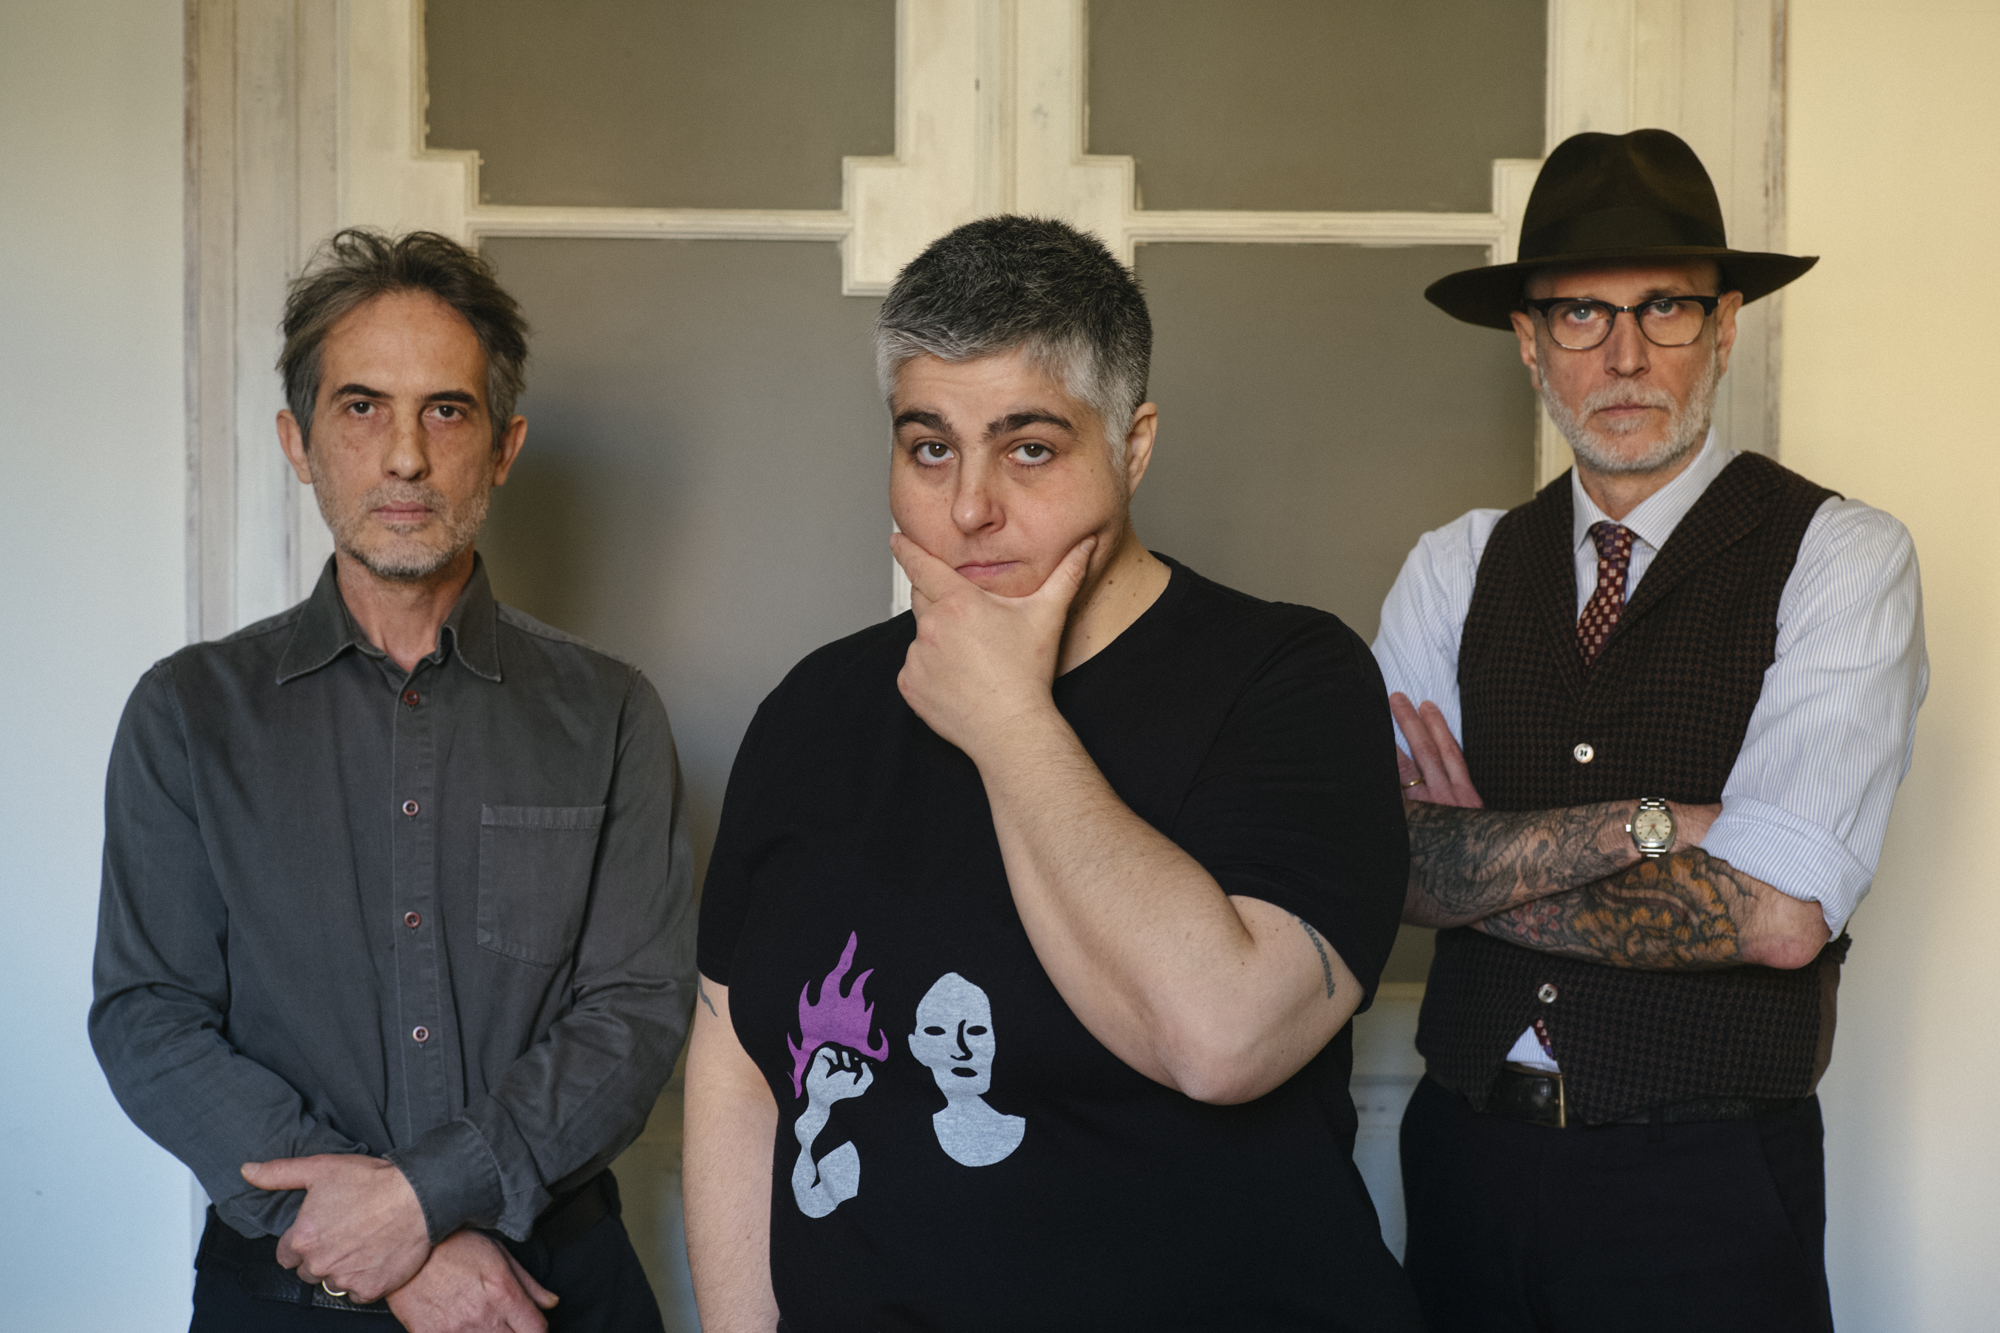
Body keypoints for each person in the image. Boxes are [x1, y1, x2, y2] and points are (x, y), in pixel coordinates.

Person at [682, 216, 1422, 1333]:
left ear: (1131, 445)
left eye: (1028, 447)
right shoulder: (814, 708)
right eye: (929, 447)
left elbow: (1222, 1039)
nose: (969, 506)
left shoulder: (1288, 678)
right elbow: (739, 1059)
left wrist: (1009, 720)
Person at [89, 229, 695, 1332]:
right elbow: (150, 1016)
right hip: (282, 1291)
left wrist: (420, 1201)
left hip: (553, 1287)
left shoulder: (610, 712)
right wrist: (386, 1243)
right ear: (299, 442)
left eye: (446, 411)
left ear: (504, 446)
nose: (406, 456)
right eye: (362, 407)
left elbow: (637, 1012)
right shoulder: (187, 715)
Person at [1374, 129, 1927, 1332]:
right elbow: (1385, 860)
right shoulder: (1453, 566)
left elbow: (1776, 917)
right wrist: (1658, 823)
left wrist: (1477, 859)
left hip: (1703, 1188)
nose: (1622, 356)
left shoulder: (1839, 557)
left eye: (1663, 308)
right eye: (1579, 313)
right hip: (1464, 1160)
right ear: (1528, 341)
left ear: (1721, 327)